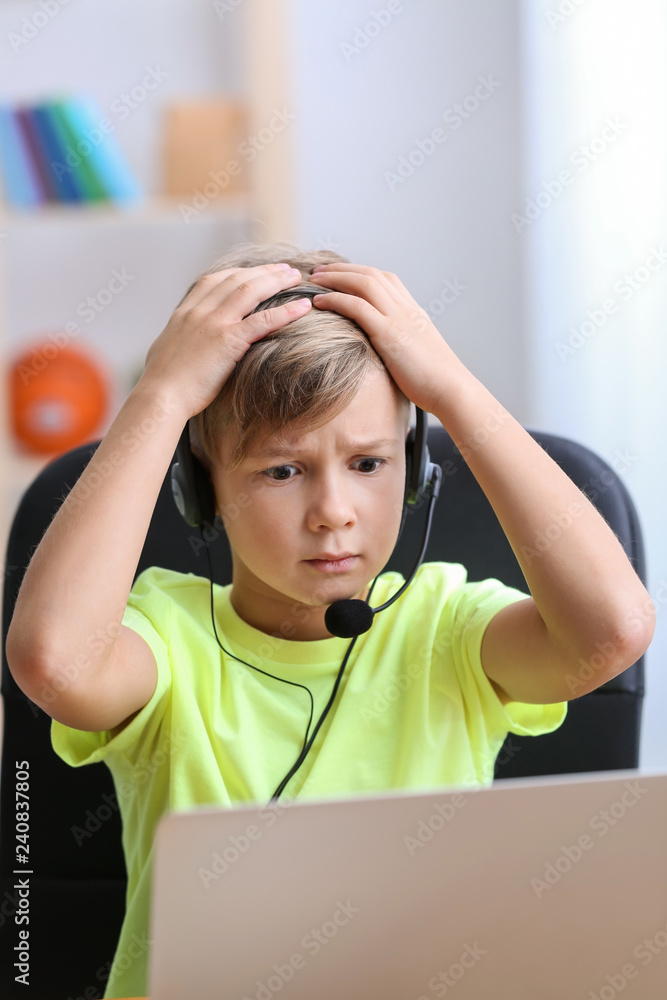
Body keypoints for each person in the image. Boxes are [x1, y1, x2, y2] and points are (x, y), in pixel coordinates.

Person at [6, 242, 654, 998]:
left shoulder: (446, 628)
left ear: (415, 472)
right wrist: (162, 396)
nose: (334, 512)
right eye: (282, 470)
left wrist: (452, 389)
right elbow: (55, 661)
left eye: (369, 463)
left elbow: (611, 631)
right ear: (201, 490)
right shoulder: (168, 638)